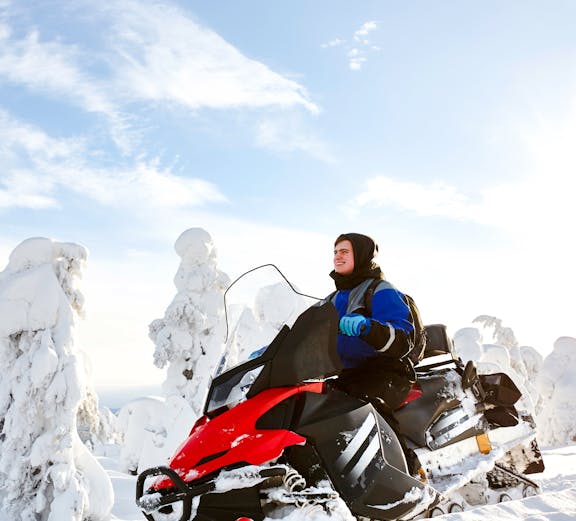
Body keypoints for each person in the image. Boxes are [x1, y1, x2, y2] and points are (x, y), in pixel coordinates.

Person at [327, 233, 416, 412]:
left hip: (384, 373)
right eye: (335, 252)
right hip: (348, 375)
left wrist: (367, 327)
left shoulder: (380, 289)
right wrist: (273, 349)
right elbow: (305, 328)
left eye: (344, 251)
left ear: (361, 255)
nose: (337, 256)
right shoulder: (331, 300)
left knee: (364, 415)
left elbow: (403, 338)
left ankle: (394, 440)